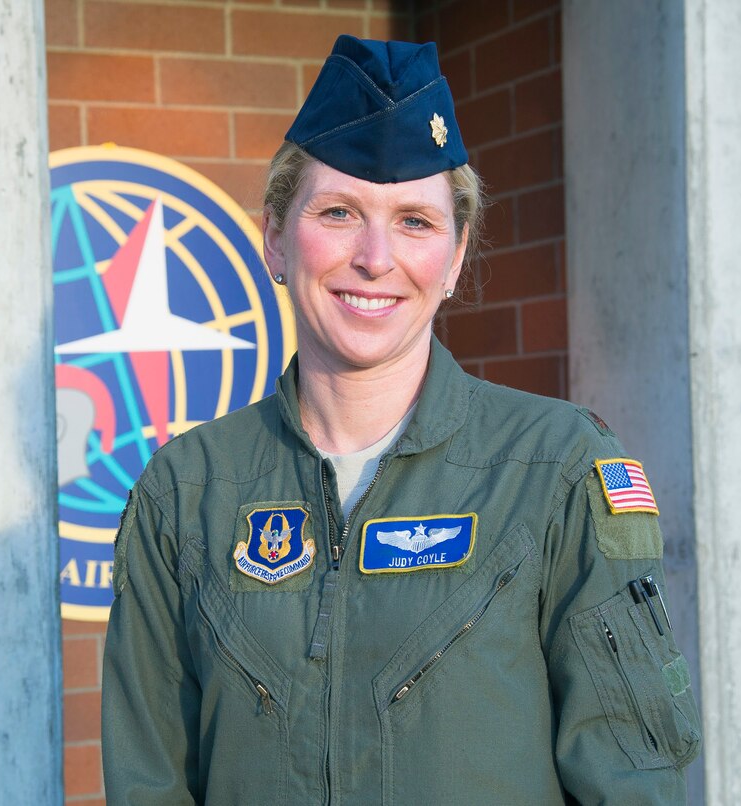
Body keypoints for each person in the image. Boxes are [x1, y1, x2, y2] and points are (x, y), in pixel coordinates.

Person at [102, 34, 701, 804]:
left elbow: (633, 786)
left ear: (453, 261)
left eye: (415, 221)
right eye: (341, 211)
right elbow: (148, 784)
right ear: (276, 239)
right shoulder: (184, 493)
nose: (376, 257)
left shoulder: (558, 472)